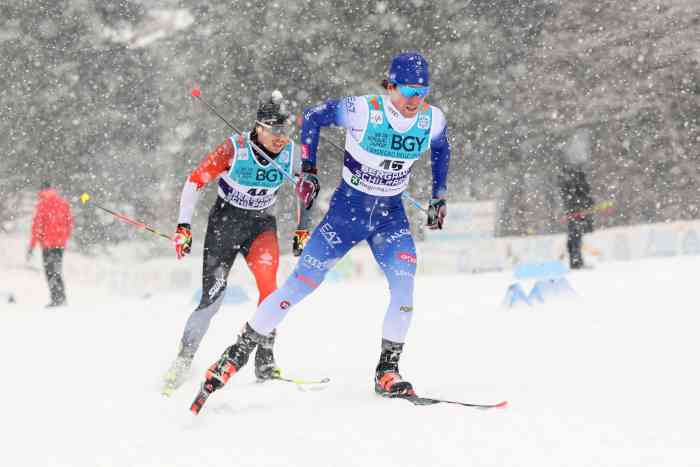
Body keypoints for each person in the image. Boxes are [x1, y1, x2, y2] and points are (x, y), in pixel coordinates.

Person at [191, 51, 451, 413]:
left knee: (405, 289)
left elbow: (441, 148)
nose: (414, 100)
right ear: (391, 85)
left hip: (390, 219)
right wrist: (310, 170)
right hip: (346, 216)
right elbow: (313, 116)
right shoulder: (364, 109)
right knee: (298, 286)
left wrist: (439, 196)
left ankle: (387, 371)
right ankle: (236, 353)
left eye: (422, 92)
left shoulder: (432, 119)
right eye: (408, 90)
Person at [162, 90, 315, 394]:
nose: (280, 138)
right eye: (274, 130)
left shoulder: (291, 152)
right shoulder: (235, 148)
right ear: (259, 126)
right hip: (225, 224)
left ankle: (265, 359)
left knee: (270, 291)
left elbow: (305, 190)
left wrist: (302, 228)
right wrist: (183, 226)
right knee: (213, 298)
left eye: (285, 130)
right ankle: (183, 359)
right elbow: (195, 181)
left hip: (261, 225)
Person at [27, 181, 73, 307]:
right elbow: (69, 223)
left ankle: (56, 299)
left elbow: (37, 228)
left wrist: (32, 246)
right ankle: (61, 297)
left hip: (48, 244)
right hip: (60, 244)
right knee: (57, 270)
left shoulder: (42, 205)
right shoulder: (63, 203)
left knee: (50, 271)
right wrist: (64, 238)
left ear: (41, 190)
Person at [559, 164, 594, 269]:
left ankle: (576, 261)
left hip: (574, 214)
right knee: (575, 238)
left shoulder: (570, 185)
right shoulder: (576, 185)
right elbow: (584, 198)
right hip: (575, 215)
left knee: (574, 238)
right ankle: (576, 261)